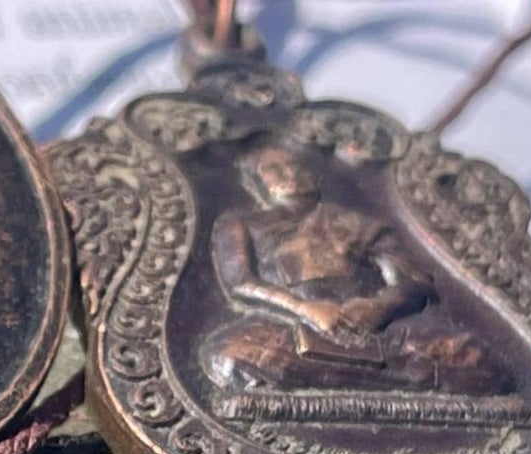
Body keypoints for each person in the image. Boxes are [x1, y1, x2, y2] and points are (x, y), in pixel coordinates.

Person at [205, 142, 504, 396]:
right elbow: (240, 282)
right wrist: (305, 308)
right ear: (257, 181)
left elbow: (411, 280)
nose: (290, 173)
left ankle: (361, 376)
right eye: (273, 168)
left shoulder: (357, 223)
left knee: (473, 355)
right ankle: (407, 377)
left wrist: (377, 308)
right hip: (293, 326)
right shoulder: (241, 224)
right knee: (231, 356)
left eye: (295, 165)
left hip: (369, 329)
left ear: (313, 175)